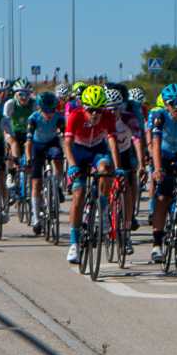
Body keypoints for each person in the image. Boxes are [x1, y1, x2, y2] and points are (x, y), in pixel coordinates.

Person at [63, 84, 122, 264]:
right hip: (79, 151)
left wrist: (117, 167)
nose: (95, 114)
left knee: (105, 170)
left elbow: (112, 143)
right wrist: (72, 166)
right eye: (91, 110)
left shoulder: (108, 117)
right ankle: (74, 243)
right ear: (84, 107)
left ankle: (103, 206)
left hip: (97, 150)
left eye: (99, 110)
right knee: (78, 194)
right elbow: (67, 144)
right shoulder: (75, 116)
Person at [145, 84, 177, 262]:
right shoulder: (159, 116)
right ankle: (157, 244)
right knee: (163, 198)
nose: (176, 107)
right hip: (163, 155)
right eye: (172, 103)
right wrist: (157, 169)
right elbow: (156, 144)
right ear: (165, 104)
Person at [24, 91, 64, 234]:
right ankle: (36, 218)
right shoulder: (33, 119)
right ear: (40, 109)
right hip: (37, 146)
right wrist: (29, 159)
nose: (49, 114)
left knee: (59, 157)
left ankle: (57, 185)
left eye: (52, 110)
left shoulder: (59, 117)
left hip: (52, 143)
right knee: (36, 183)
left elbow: (65, 138)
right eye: (46, 111)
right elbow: (28, 142)